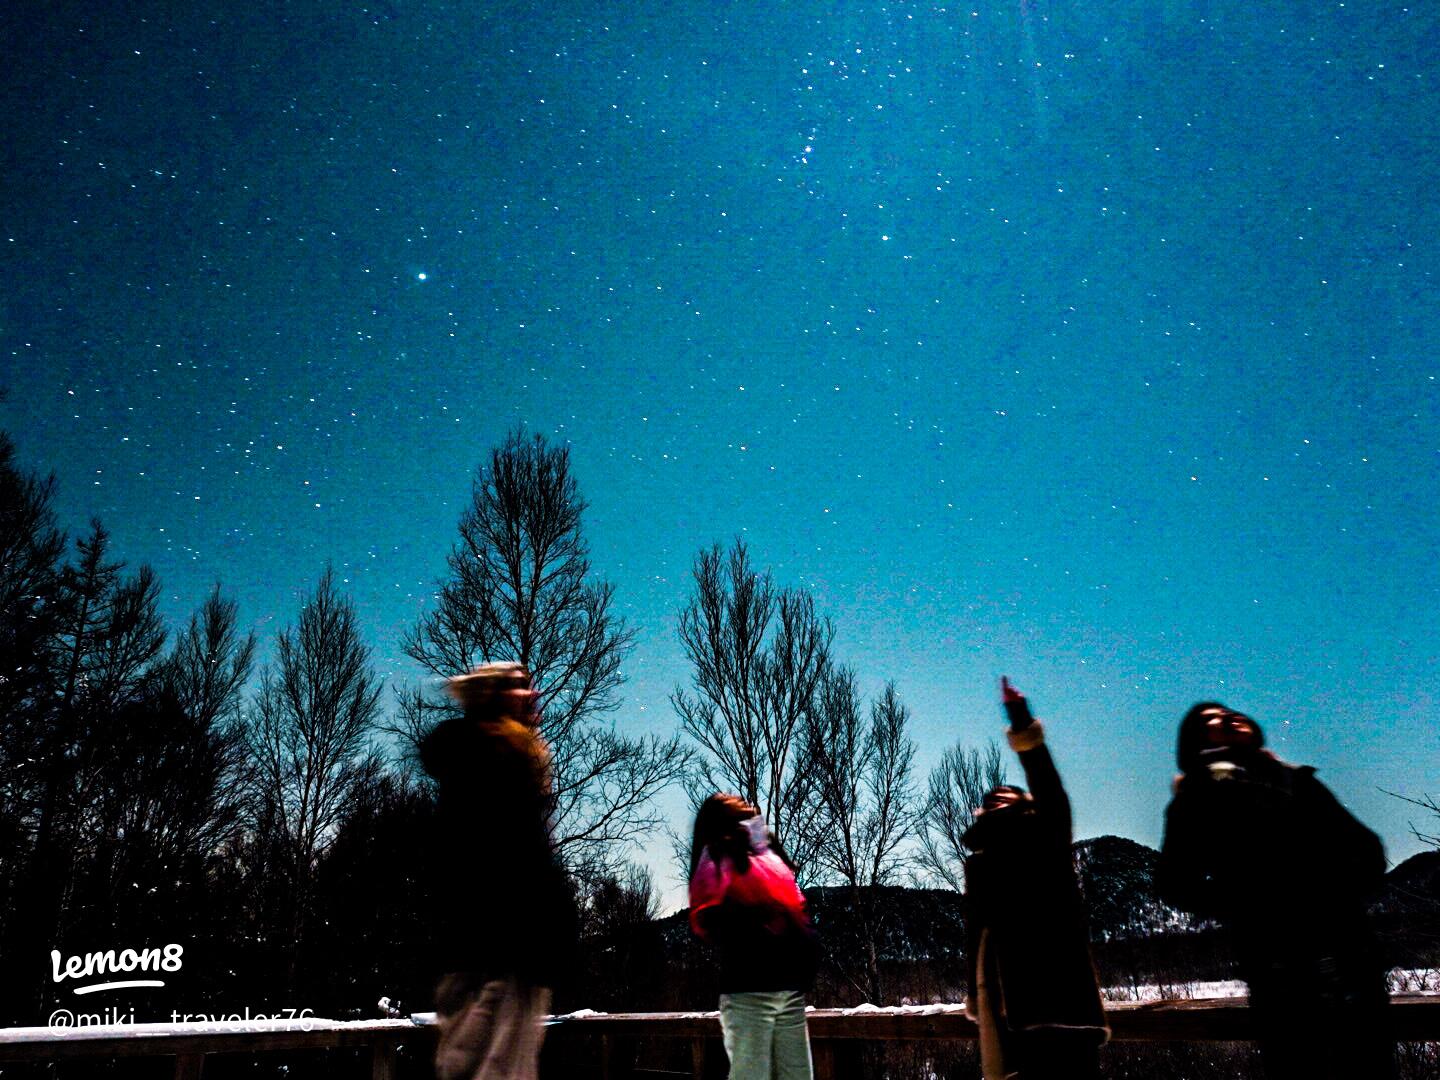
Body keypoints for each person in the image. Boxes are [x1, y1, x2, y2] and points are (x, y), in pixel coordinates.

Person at [1157, 702, 1394, 1080]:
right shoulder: (1197, 797)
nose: (1229, 716)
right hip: (1280, 973)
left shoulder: (1297, 781)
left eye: (1231, 711)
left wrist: (1327, 892)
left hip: (1351, 958)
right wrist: (1250, 905)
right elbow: (1175, 884)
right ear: (1195, 741)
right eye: (1210, 719)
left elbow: (1368, 852)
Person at [419, 661, 578, 1080]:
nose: (532, 695)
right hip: (505, 953)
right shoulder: (503, 756)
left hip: (471, 951)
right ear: (492, 697)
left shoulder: (471, 759)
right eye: (520, 687)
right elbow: (520, 858)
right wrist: (551, 929)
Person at [963, 678, 1108, 1080]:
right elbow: (976, 930)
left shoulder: (1048, 835)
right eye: (989, 802)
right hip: (1008, 1003)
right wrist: (977, 996)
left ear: (1026, 804)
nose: (996, 802)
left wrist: (1021, 720)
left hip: (1063, 996)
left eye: (1007, 796)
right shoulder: (980, 861)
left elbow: (1049, 785)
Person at [688, 794, 819, 1080]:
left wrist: (805, 950)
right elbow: (706, 915)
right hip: (749, 992)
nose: (751, 816)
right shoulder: (718, 855)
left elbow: (796, 907)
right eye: (742, 812)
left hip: (789, 991)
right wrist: (756, 922)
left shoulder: (767, 855)